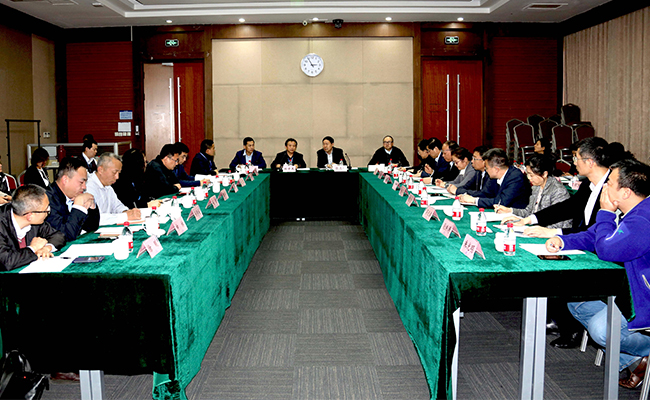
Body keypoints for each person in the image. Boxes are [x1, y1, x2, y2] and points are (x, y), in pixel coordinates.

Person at [545, 159, 650, 388]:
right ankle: (634, 359)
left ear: (625, 192)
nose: (604, 187)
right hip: (627, 290)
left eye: (609, 183)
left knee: (601, 331)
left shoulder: (643, 219)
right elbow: (594, 236)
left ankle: (645, 349)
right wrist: (562, 241)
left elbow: (607, 250)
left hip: (643, 301)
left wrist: (605, 212)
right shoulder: (631, 210)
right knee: (577, 303)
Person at [504, 138, 635, 238]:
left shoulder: (614, 188)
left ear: (590, 162)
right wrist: (529, 219)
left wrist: (553, 232)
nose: (574, 162)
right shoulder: (587, 184)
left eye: (576, 158)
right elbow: (567, 208)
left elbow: (595, 231)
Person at [0, 184, 65, 271]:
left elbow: (58, 235)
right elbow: (6, 261)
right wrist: (33, 248)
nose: (48, 211)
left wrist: (46, 248)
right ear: (30, 216)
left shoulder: (35, 221)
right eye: (46, 209)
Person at [495, 155, 571, 230]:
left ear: (544, 174)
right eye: (527, 174)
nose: (529, 178)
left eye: (531, 175)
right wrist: (510, 210)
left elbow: (558, 225)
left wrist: (530, 226)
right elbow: (529, 212)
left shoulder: (558, 191)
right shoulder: (536, 187)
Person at [45, 157, 99, 241]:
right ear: (65, 180)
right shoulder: (47, 200)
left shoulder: (73, 195)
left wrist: (92, 206)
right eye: (81, 182)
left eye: (85, 182)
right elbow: (66, 235)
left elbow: (91, 227)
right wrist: (78, 207)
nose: (84, 187)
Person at [458, 148, 530, 209]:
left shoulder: (515, 177)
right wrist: (466, 196)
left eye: (487, 168)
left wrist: (474, 200)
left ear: (496, 169)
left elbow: (501, 202)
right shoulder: (495, 177)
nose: (485, 170)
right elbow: (486, 193)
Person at [86, 153, 141, 226]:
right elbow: (94, 218)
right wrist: (125, 216)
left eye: (119, 173)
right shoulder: (88, 187)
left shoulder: (108, 186)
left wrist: (127, 212)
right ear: (101, 170)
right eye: (114, 172)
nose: (117, 177)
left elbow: (117, 206)